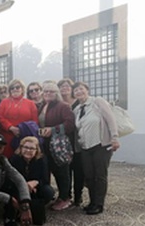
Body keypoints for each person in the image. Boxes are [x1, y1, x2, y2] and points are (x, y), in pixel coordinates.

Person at [73, 81, 120, 215]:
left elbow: (111, 119)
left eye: (81, 89)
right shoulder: (77, 110)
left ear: (87, 90)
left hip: (101, 145)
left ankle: (99, 204)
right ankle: (92, 202)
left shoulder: (97, 102)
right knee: (89, 175)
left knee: (100, 175)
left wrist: (115, 137)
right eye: (75, 90)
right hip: (85, 147)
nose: (78, 92)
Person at [38, 81, 75, 211]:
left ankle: (65, 198)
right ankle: (56, 196)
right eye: (46, 91)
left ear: (56, 93)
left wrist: (53, 130)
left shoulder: (63, 106)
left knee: (62, 172)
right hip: (45, 144)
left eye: (51, 91)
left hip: (58, 145)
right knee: (50, 170)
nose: (48, 93)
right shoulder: (43, 106)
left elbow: (70, 124)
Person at [58, 78, 84, 206]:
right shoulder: (57, 104)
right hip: (63, 143)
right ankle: (65, 195)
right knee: (65, 171)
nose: (65, 88)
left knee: (78, 170)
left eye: (68, 85)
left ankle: (78, 196)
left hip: (77, 142)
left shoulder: (78, 103)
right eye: (62, 86)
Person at [0, 79, 39, 158]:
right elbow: (0, 117)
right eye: (12, 88)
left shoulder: (30, 103)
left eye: (17, 87)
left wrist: (23, 130)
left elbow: (35, 121)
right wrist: (11, 127)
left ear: (22, 89)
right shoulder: (4, 102)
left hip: (25, 138)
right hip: (8, 136)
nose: (15, 89)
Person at [10, 136, 54, 205]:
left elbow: (45, 179)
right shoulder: (15, 159)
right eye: (26, 147)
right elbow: (11, 178)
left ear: (36, 150)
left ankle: (36, 206)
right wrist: (25, 185)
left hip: (36, 187)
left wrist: (35, 183)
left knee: (48, 191)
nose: (28, 150)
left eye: (32, 148)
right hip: (18, 186)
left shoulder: (42, 160)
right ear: (21, 148)